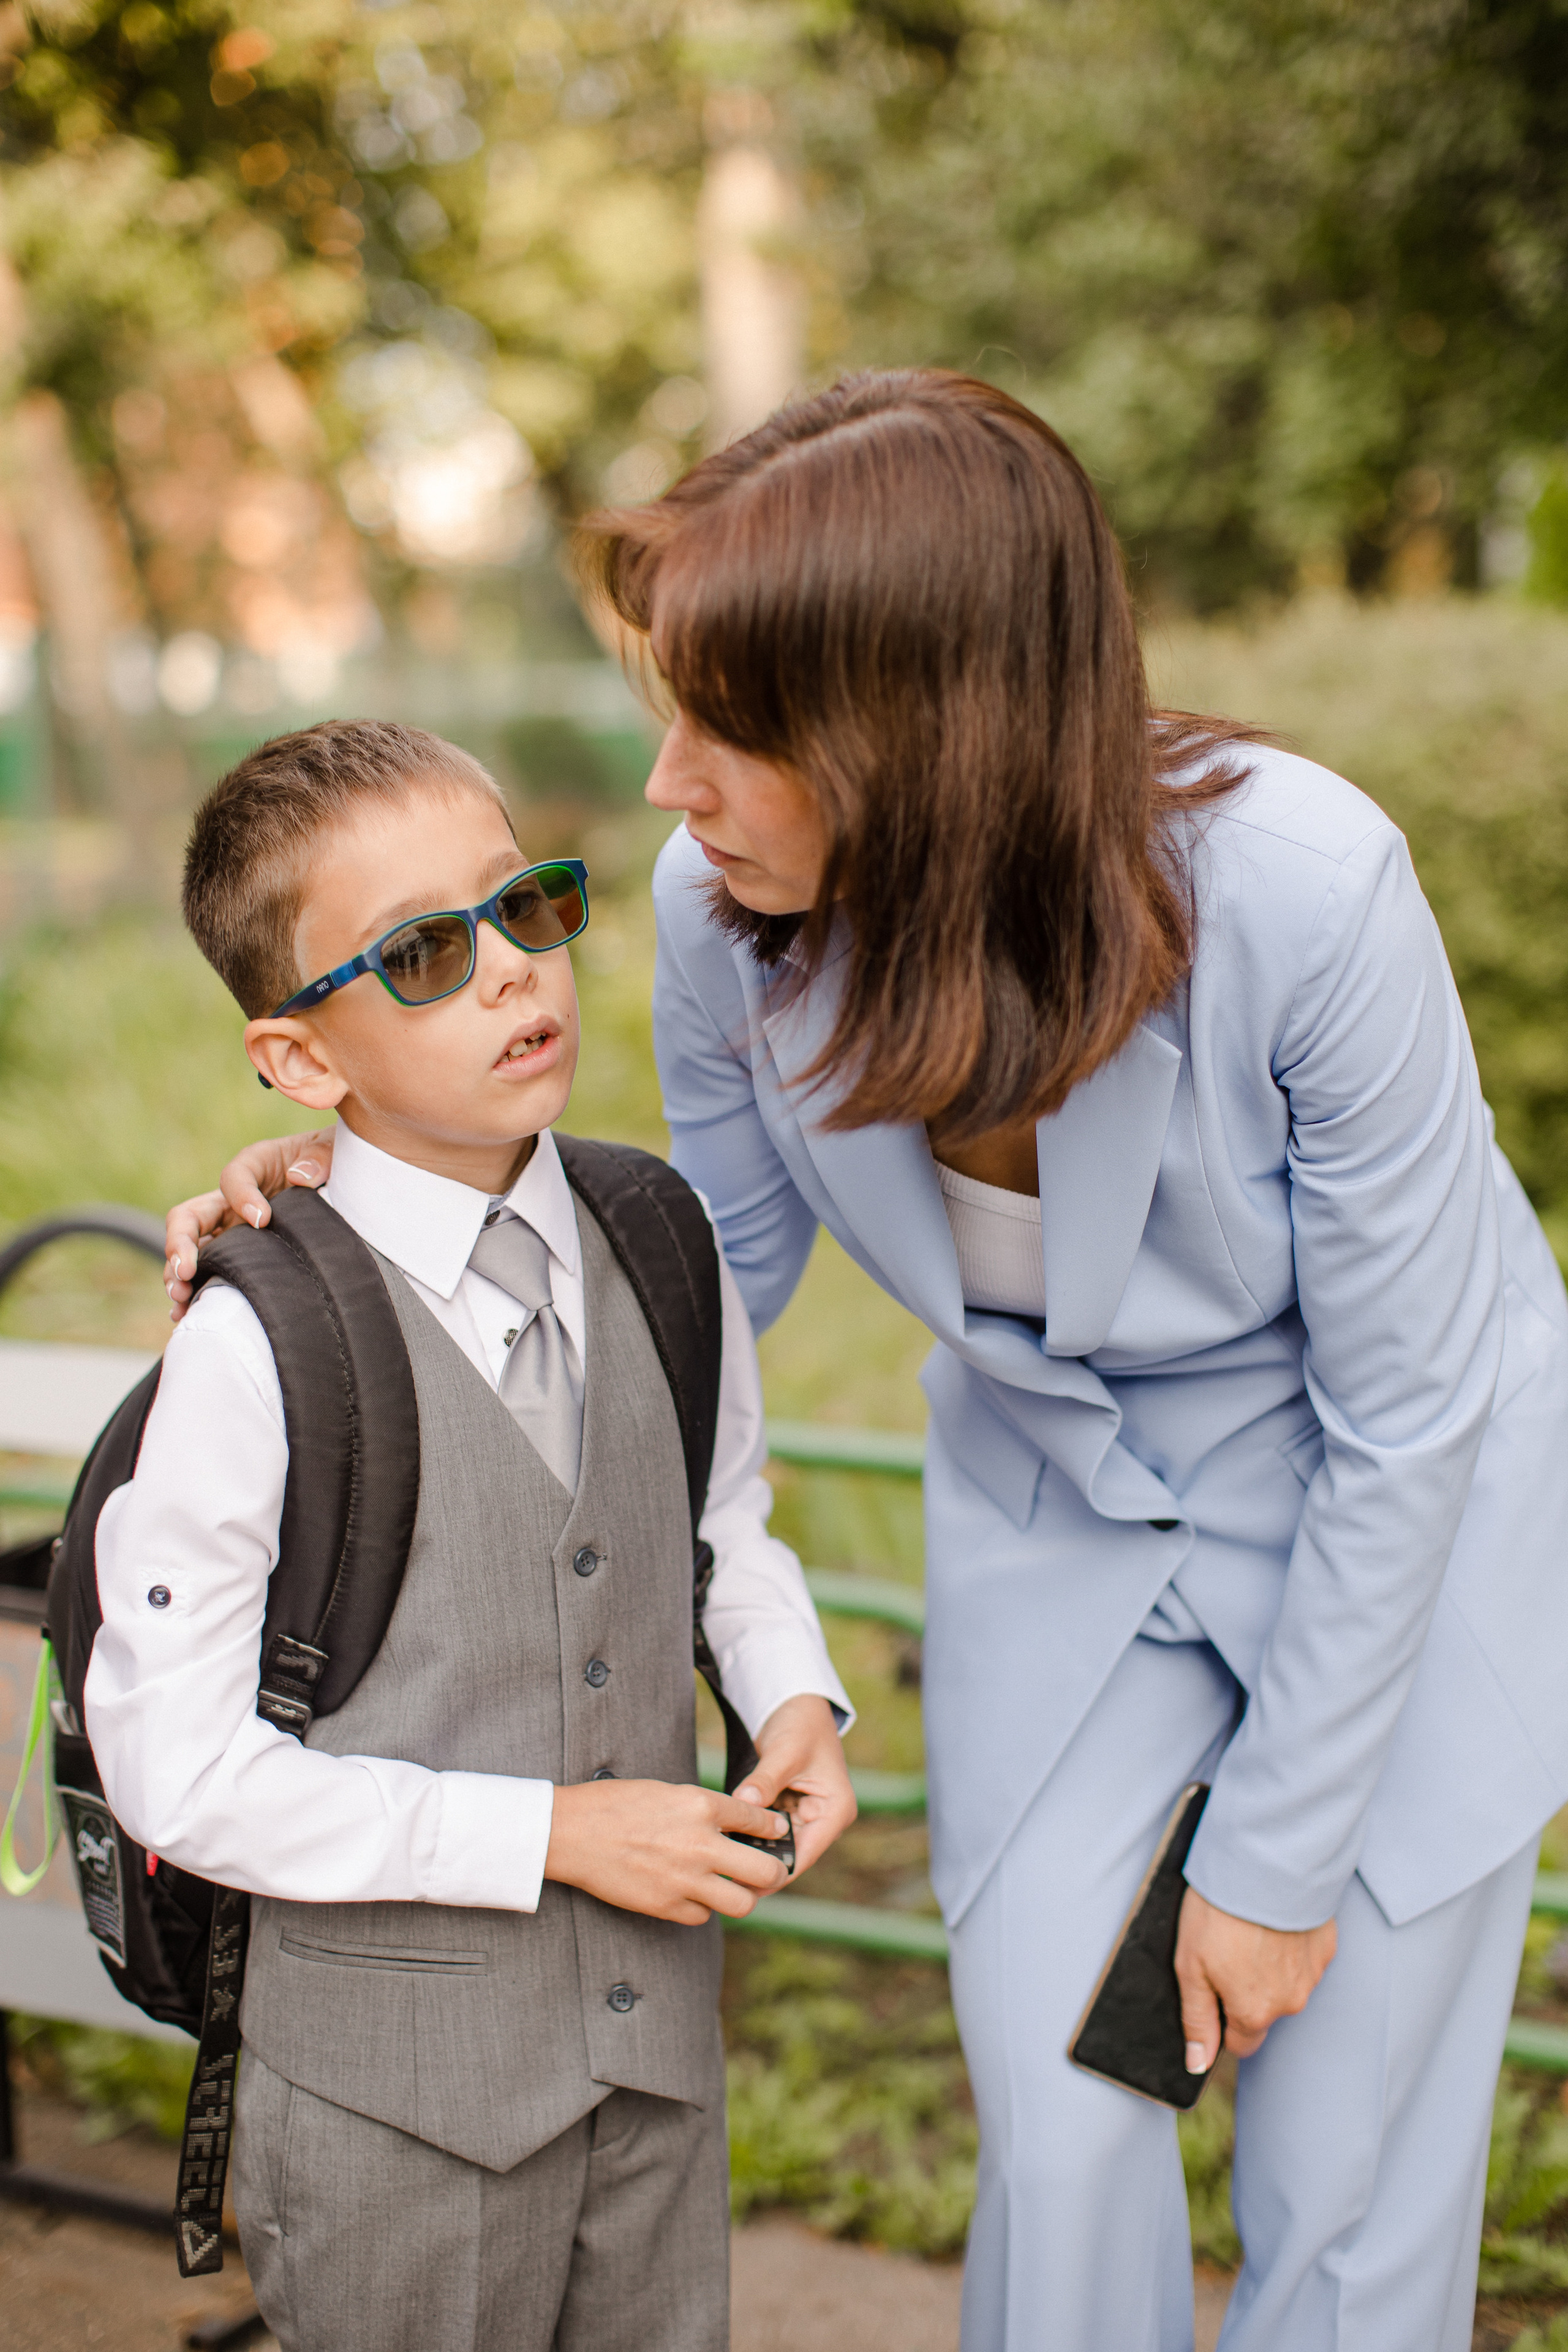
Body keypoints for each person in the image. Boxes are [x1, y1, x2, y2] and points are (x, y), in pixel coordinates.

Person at [167, 376, 1568, 2352]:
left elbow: (1413, 1412)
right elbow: (703, 1275)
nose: (669, 783)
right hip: (1060, 1530)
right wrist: (362, 1205)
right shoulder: (731, 925)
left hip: (1405, 1546)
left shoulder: (1308, 894)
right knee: (1072, 2134)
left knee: (1345, 2192)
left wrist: (1270, 1859)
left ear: (922, 728)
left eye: (726, 731)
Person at [106, 718, 855, 2352]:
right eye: (428, 954)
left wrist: (794, 1695)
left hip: (658, 2076)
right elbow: (181, 1770)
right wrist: (554, 1837)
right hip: (395, 2126)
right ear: (302, 1059)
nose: (515, 973)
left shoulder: (661, 1239)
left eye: (527, 908)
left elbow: (720, 1524)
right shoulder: (263, 1342)